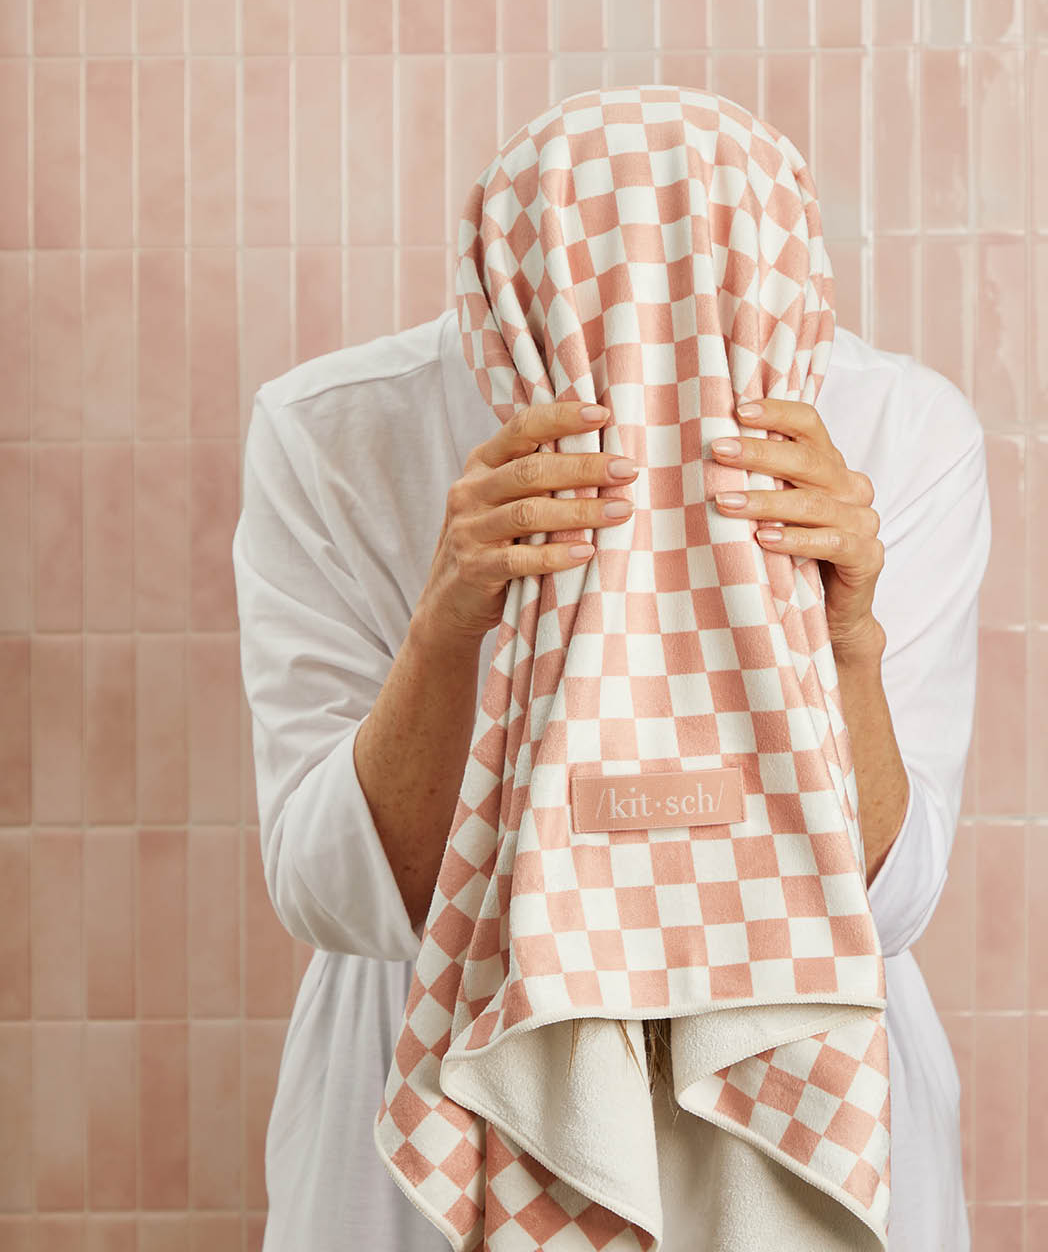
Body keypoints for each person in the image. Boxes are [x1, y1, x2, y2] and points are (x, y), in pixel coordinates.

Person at [232, 297, 990, 1249]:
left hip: (812, 1102)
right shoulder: (334, 429)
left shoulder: (897, 427)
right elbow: (331, 891)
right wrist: (444, 629)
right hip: (442, 1106)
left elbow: (892, 902)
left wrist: (845, 642)